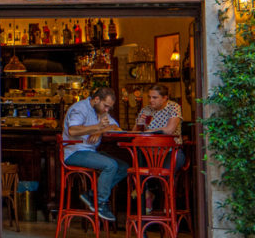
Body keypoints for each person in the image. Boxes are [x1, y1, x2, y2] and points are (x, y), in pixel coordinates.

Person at [63, 87, 128, 222]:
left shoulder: (100, 111)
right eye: (105, 106)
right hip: (74, 152)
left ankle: (92, 195)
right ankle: (100, 203)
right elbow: (73, 131)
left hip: (90, 151)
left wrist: (99, 131)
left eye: (109, 108)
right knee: (110, 165)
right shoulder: (80, 108)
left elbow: (116, 128)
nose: (107, 110)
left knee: (124, 167)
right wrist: (97, 127)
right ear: (96, 99)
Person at [134, 83, 185, 170]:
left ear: (165, 98)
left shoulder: (173, 107)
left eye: (154, 97)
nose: (151, 100)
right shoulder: (146, 109)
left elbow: (169, 130)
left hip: (170, 151)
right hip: (148, 152)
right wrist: (139, 125)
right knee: (140, 172)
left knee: (163, 175)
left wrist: (151, 131)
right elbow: (134, 134)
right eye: (149, 97)